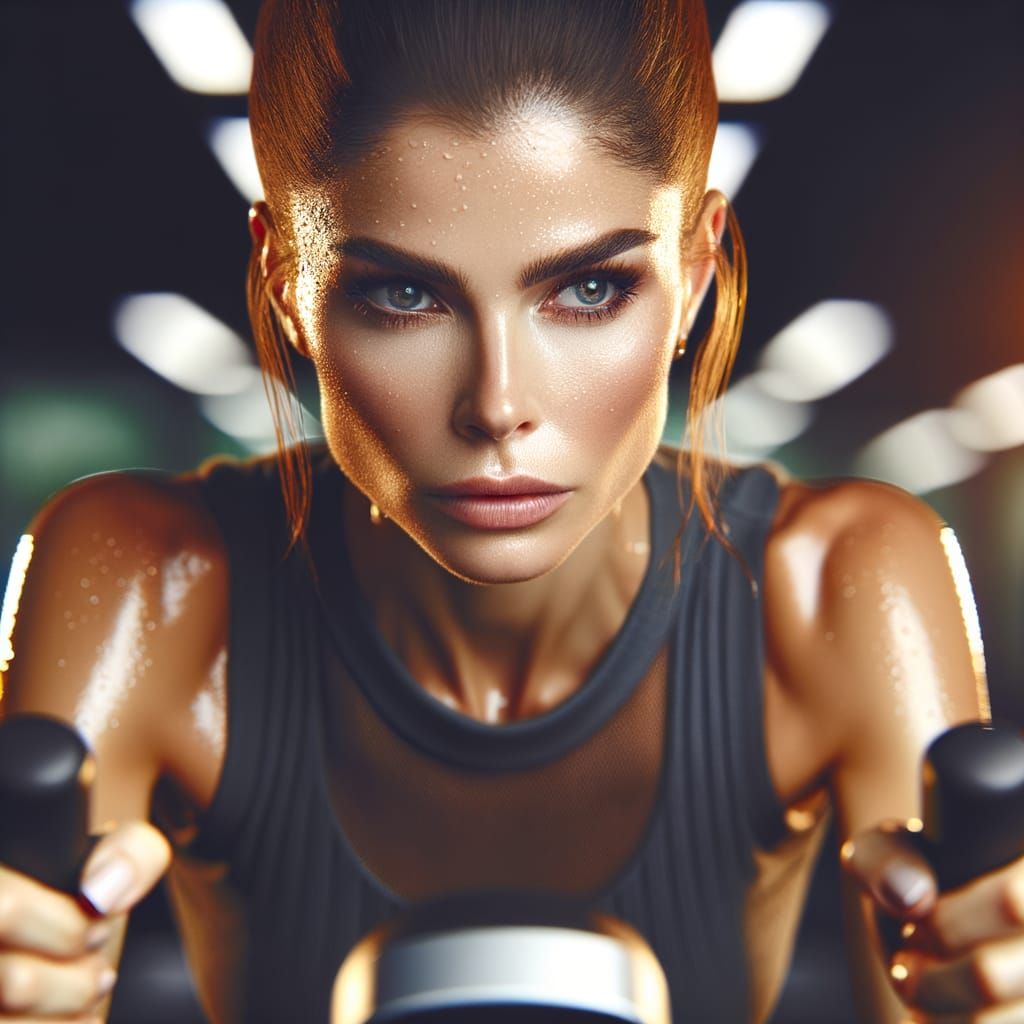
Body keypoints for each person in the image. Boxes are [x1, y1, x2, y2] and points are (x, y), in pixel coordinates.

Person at [0, 0, 1018, 1020]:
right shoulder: (146, 580)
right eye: (404, 295)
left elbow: (953, 986)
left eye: (589, 289)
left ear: (695, 273)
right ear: (287, 288)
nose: (497, 406)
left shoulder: (842, 582)